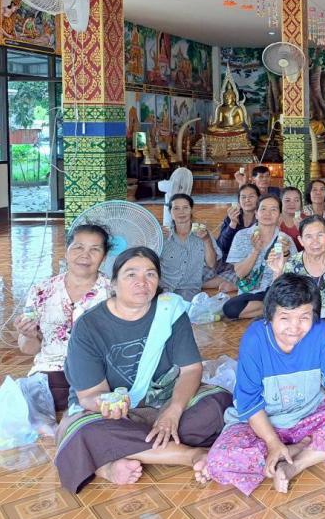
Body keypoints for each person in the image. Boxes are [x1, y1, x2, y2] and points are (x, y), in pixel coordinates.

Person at [55, 247, 231, 493]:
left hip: (162, 402)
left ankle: (115, 455)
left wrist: (173, 411)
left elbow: (191, 369)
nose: (142, 282)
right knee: (84, 432)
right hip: (114, 416)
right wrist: (110, 406)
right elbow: (89, 396)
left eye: (150, 274)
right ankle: (191, 455)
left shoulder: (169, 311)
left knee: (219, 403)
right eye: (131, 275)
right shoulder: (89, 327)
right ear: (114, 283)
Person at [204, 274, 325, 495]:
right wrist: (272, 442)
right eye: (285, 318)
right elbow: (249, 402)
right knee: (219, 461)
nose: (294, 327)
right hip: (263, 425)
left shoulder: (320, 332)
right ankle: (296, 448)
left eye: (304, 317)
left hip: (309, 417)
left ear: (314, 315)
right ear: (270, 316)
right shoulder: (255, 339)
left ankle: (295, 464)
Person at [16, 224, 112, 411]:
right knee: (20, 409)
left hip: (97, 376)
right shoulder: (41, 290)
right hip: (50, 374)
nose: (85, 255)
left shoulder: (113, 292)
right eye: (78, 247)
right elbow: (29, 349)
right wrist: (28, 335)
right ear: (66, 251)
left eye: (95, 249)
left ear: (105, 257)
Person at [267, 216, 325, 356]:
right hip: (301, 319)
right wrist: (277, 272)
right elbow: (278, 302)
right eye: (309, 237)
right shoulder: (292, 263)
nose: (315, 242)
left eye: (320, 235)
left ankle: (308, 350)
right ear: (301, 240)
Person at [223, 195, 298, 320]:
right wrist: (256, 250)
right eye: (263, 209)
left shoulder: (285, 240)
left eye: (273, 209)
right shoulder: (242, 236)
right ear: (256, 214)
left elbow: (292, 275)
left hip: (276, 289)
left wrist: (285, 255)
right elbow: (240, 273)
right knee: (230, 308)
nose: (267, 213)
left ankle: (273, 307)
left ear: (279, 216)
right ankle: (276, 308)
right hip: (251, 293)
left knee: (293, 294)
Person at [160, 193, 221, 301]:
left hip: (189, 290)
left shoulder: (203, 234)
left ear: (191, 210)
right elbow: (148, 261)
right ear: (170, 212)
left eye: (185, 207)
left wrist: (207, 240)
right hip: (163, 287)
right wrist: (156, 237)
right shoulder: (162, 235)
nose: (181, 212)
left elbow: (211, 264)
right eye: (176, 208)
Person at [216, 184, 260, 261]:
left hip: (255, 260)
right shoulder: (231, 217)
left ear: (258, 198)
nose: (247, 200)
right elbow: (222, 246)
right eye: (243, 197)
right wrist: (232, 224)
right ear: (239, 201)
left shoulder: (263, 218)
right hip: (232, 260)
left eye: (251, 196)